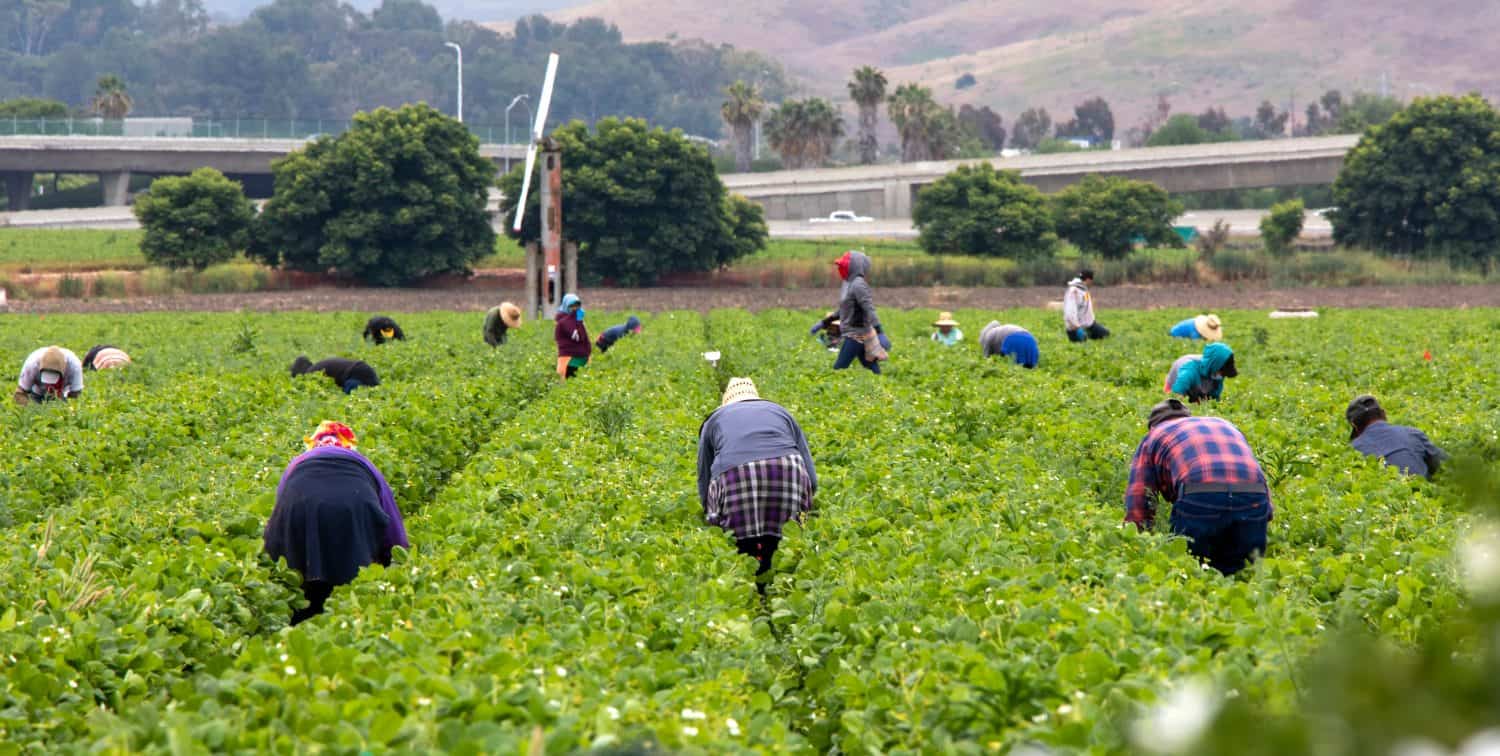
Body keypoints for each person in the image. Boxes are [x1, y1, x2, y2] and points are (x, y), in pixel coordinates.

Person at [263, 421, 409, 625]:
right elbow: (389, 513)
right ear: (349, 445)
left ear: (314, 444)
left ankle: (299, 622)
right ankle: (350, 618)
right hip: (354, 505)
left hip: (300, 502)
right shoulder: (363, 463)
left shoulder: (297, 463)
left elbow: (281, 503)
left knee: (300, 578)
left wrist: (273, 554)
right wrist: (395, 554)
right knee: (353, 577)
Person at [1124, 399, 1272, 576]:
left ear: (1153, 425)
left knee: (1189, 568)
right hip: (1253, 494)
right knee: (1239, 574)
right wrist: (1263, 514)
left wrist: (1136, 542)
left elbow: (1139, 497)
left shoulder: (1154, 436)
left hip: (1201, 494)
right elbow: (1252, 469)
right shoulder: (1225, 424)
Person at [698, 378, 816, 593]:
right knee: (785, 538)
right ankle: (780, 582)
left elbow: (705, 475)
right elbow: (809, 468)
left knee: (741, 546)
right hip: (789, 469)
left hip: (733, 475)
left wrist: (711, 514)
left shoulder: (714, 420)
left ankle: (751, 582)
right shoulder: (781, 412)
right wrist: (806, 502)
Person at [1346, 395, 1447, 479]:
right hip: (1425, 496)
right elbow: (1445, 463)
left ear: (1355, 426)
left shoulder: (1354, 449)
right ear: (1384, 414)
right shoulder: (1413, 433)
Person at [832, 250, 886, 373]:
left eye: (844, 265)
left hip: (856, 334)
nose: (840, 268)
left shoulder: (858, 285)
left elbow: (869, 307)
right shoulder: (848, 283)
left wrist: (879, 330)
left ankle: (883, 387)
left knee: (838, 369)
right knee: (870, 365)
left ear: (854, 266)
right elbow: (845, 308)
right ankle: (883, 387)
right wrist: (825, 322)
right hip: (855, 332)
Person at [1165, 343, 1237, 403]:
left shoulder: (1219, 373)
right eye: (1221, 372)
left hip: (1197, 386)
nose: (1221, 376)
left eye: (1223, 374)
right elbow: (1175, 396)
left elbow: (1214, 397)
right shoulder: (1189, 371)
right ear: (1215, 366)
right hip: (1174, 386)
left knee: (1200, 401)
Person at [14, 346, 84, 404]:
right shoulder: (32, 365)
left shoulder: (74, 366)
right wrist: (27, 410)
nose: (50, 385)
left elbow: (76, 393)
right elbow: (21, 392)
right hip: (37, 392)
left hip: (62, 393)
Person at [290, 355, 380, 394]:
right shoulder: (318, 366)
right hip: (364, 369)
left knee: (352, 399)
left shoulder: (311, 373)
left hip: (355, 374)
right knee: (375, 392)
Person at [1063, 269, 1110, 342]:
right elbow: (1069, 313)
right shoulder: (1074, 292)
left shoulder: (1083, 290)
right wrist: (1077, 328)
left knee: (1105, 334)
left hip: (1089, 326)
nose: (1092, 283)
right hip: (1076, 329)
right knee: (1083, 345)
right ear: (1088, 280)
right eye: (1092, 280)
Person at [554, 293, 590, 379]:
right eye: (572, 306)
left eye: (577, 306)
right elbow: (578, 337)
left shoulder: (573, 319)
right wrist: (579, 321)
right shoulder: (564, 321)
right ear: (566, 306)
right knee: (569, 384)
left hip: (579, 358)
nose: (575, 309)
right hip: (570, 359)